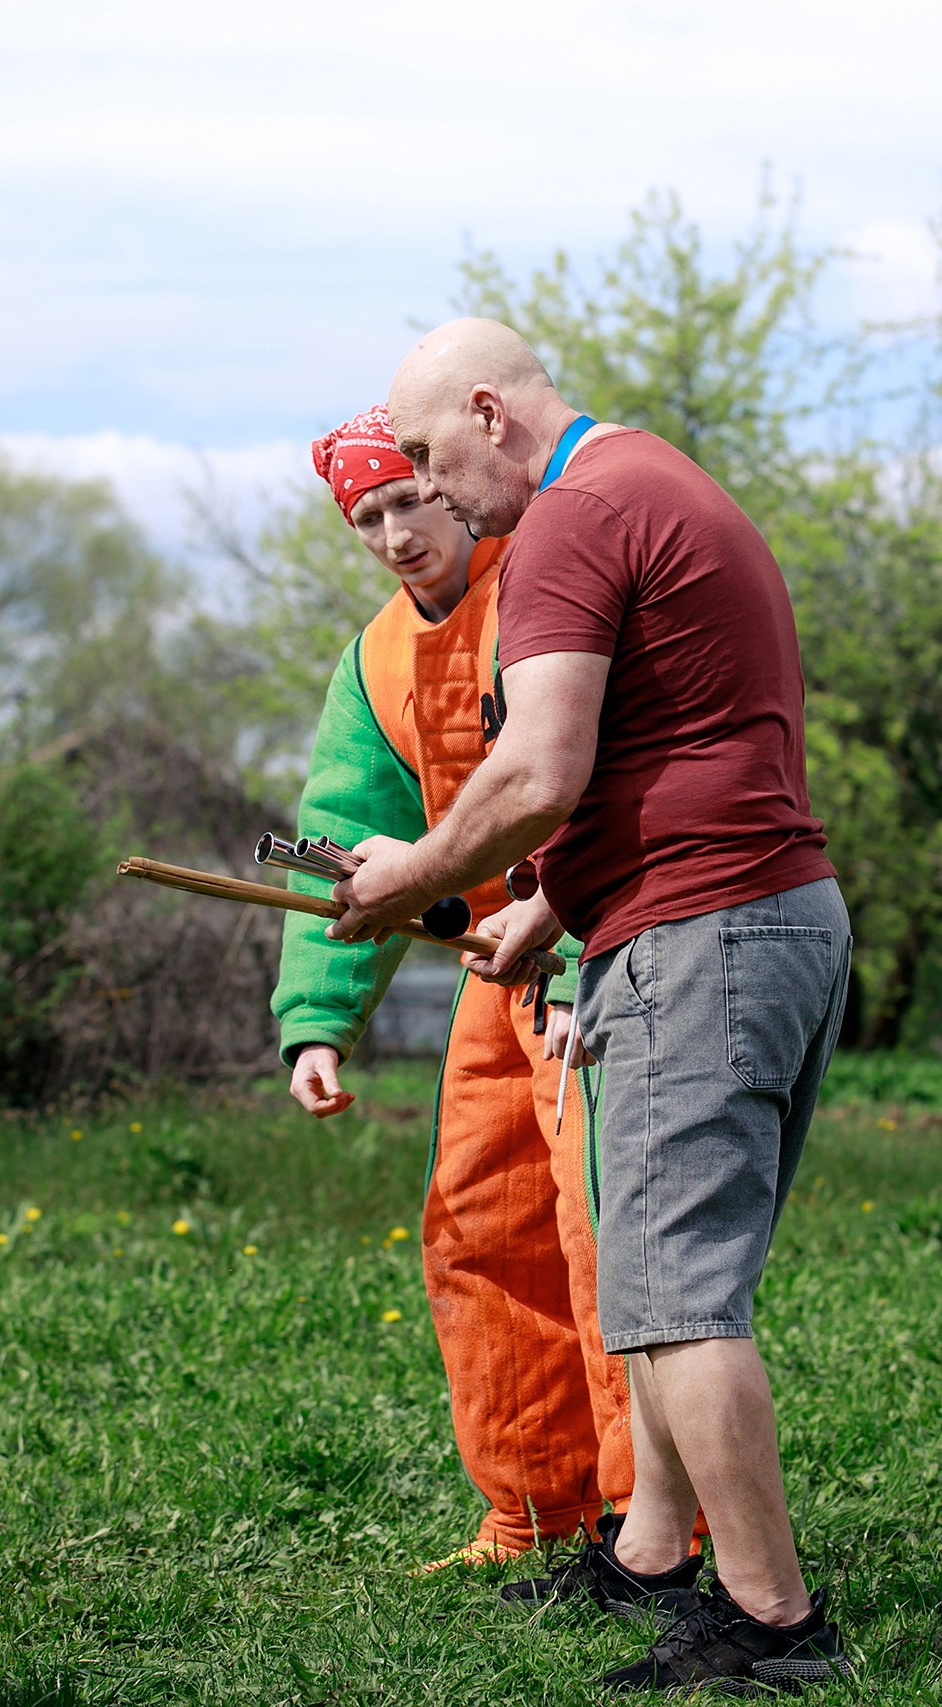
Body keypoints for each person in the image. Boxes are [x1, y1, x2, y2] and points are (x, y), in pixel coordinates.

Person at [332, 321, 857, 1693]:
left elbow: (541, 769)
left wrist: (414, 875)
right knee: (666, 1269)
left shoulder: (573, 518)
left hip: (706, 932)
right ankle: (648, 1550)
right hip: (770, 908)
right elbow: (676, 743)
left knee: (677, 1297)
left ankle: (774, 1623)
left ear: (492, 414)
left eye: (437, 460)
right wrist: (546, 911)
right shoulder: (655, 480)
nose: (436, 495)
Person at [271, 406, 697, 1604]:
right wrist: (318, 1017)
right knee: (476, 1229)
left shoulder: (548, 583)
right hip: (485, 982)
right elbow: (348, 835)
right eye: (367, 517)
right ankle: (530, 1507)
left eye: (411, 501)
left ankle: (651, 1523)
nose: (396, 532)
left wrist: (566, 930)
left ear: (455, 491)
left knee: (597, 1234)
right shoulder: (373, 662)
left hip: (590, 947)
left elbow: (610, 773)